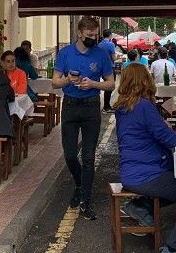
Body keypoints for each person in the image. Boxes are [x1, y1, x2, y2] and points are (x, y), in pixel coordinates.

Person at [113, 64, 176, 252]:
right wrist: (167, 127)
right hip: (148, 174)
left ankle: (141, 206)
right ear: (145, 80)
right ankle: (175, 245)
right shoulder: (144, 106)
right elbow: (170, 139)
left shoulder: (122, 106)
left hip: (131, 172)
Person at [51, 16, 115, 220]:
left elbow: (111, 84)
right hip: (70, 105)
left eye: (96, 35)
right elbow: (54, 82)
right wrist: (68, 80)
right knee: (70, 155)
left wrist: (94, 84)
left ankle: (86, 201)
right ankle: (79, 184)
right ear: (79, 33)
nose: (94, 38)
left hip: (90, 107)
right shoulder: (65, 53)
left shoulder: (102, 54)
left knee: (88, 157)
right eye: (90, 35)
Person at [100, 29, 118, 113]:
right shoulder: (111, 44)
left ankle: (106, 106)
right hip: (110, 67)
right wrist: (118, 57)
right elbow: (114, 58)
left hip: (102, 67)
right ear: (110, 35)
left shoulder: (100, 44)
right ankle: (106, 107)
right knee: (110, 86)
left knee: (107, 86)